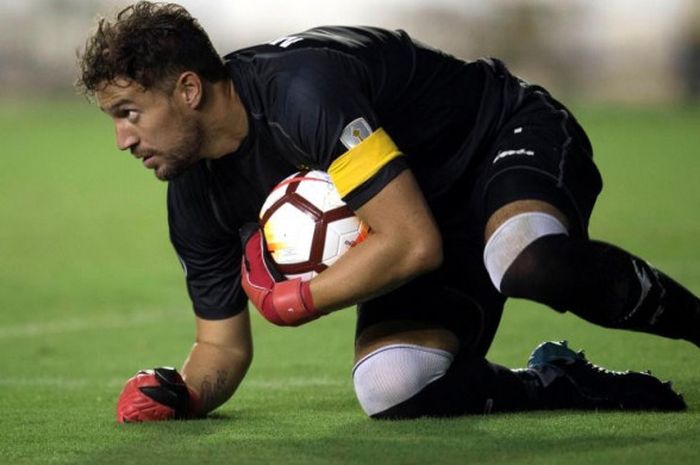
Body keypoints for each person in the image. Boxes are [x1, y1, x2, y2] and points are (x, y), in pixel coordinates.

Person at [76, 2, 698, 422]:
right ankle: (557, 382)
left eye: (129, 113)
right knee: (390, 386)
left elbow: (412, 245)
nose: (122, 141)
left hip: (495, 137)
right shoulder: (193, 194)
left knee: (524, 260)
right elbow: (222, 347)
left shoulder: (301, 94)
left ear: (188, 89)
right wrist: (183, 394)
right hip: (414, 208)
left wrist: (301, 299)